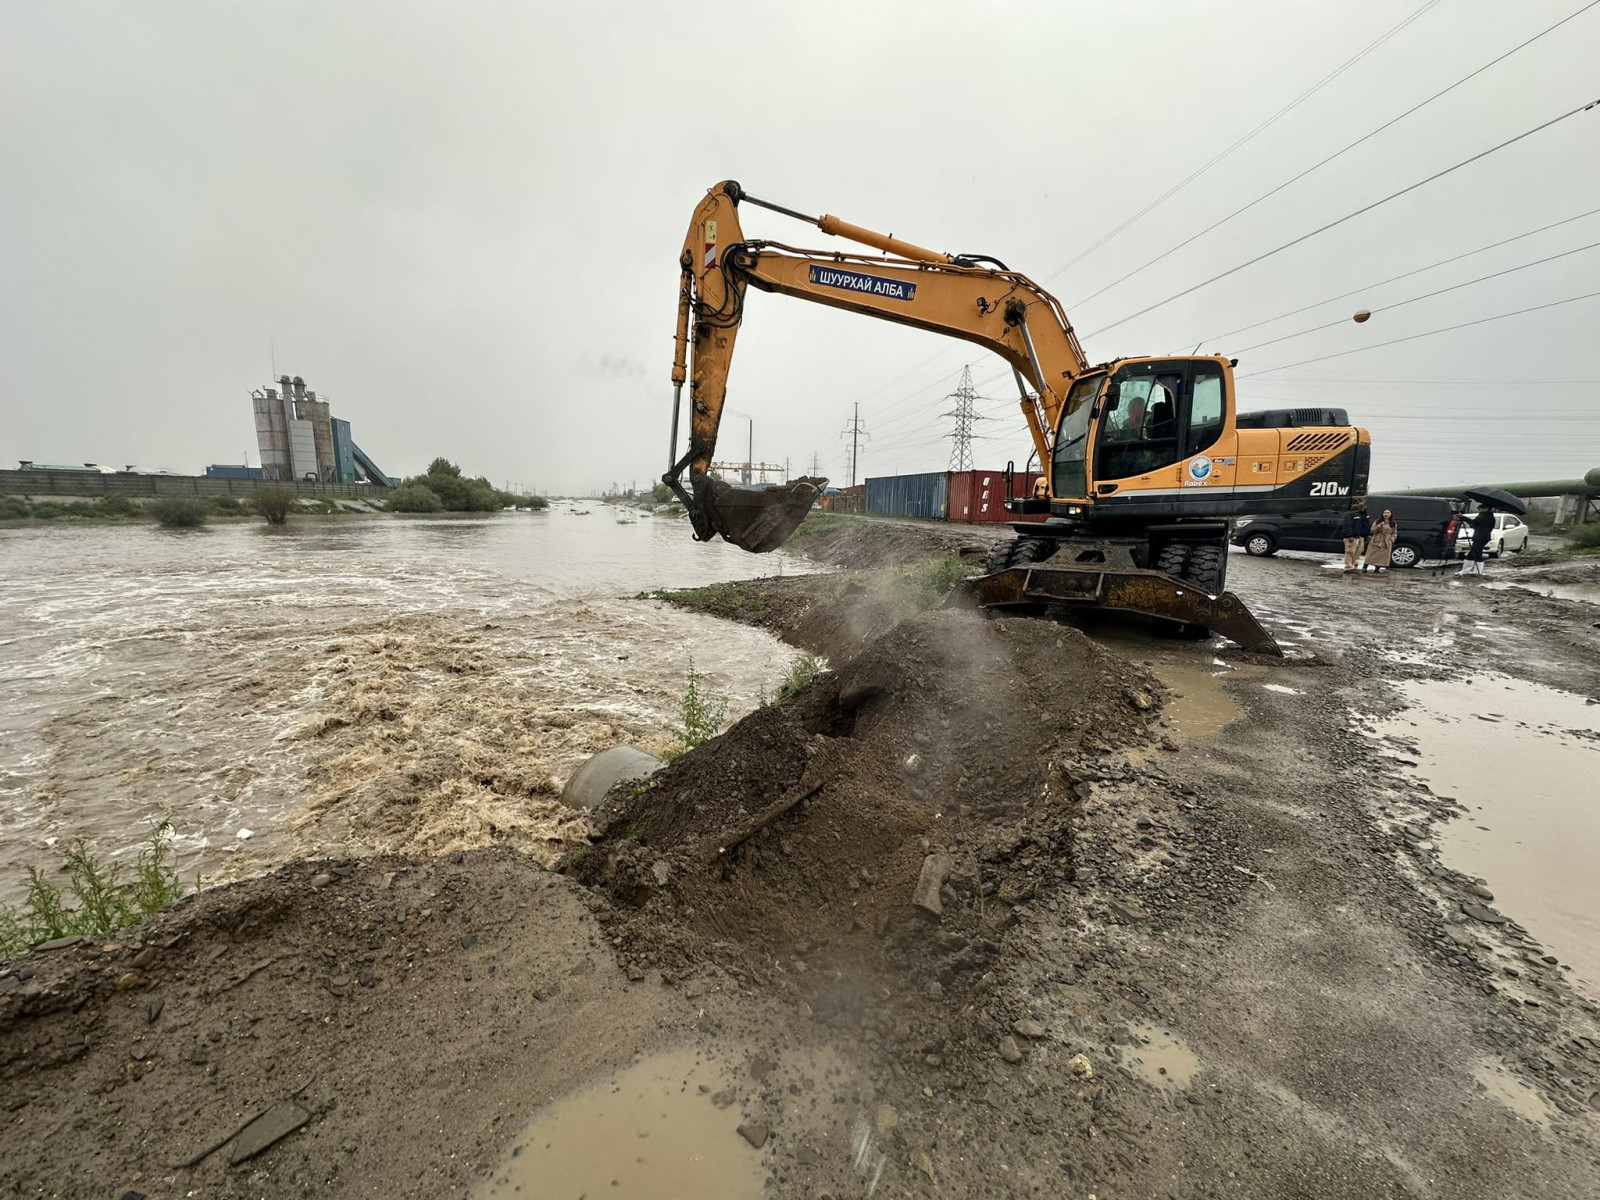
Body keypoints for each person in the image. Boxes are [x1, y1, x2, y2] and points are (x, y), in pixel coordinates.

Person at [1460, 504, 1496, 576]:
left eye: (1480, 509)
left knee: (1477, 553)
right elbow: (1480, 525)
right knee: (1472, 553)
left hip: (1480, 537)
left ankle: (1477, 571)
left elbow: (1474, 522)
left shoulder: (1484, 516)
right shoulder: (1491, 517)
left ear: (1486, 509)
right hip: (1483, 536)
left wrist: (1463, 517)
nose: (1479, 510)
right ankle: (1466, 571)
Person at [1339, 503, 1370, 573]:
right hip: (1352, 537)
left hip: (1360, 536)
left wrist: (1367, 534)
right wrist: (1350, 535)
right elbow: (1347, 525)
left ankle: (1352, 565)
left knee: (1358, 551)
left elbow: (1365, 525)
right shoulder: (1349, 514)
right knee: (1350, 551)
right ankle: (1348, 567)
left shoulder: (1362, 515)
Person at [1366, 507, 1397, 572]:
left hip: (1386, 541)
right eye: (1385, 513)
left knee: (1381, 556)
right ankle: (1365, 566)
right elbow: (1372, 530)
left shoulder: (1393, 523)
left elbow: (1394, 532)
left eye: (1388, 513)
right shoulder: (1378, 521)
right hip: (1376, 539)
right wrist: (1379, 526)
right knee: (1371, 554)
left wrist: (1392, 539)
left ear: (1390, 514)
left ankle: (1377, 568)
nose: (1386, 514)